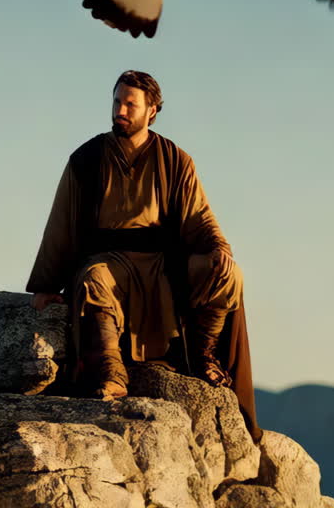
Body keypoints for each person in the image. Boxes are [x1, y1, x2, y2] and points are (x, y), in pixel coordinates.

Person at [25, 70, 260, 440]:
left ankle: (202, 357)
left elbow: (199, 216)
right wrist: (46, 284)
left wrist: (218, 251)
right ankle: (110, 373)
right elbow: (61, 223)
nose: (120, 110)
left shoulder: (175, 159)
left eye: (129, 104)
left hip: (165, 266)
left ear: (151, 110)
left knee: (229, 274)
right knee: (93, 278)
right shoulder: (86, 158)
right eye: (116, 102)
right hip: (111, 261)